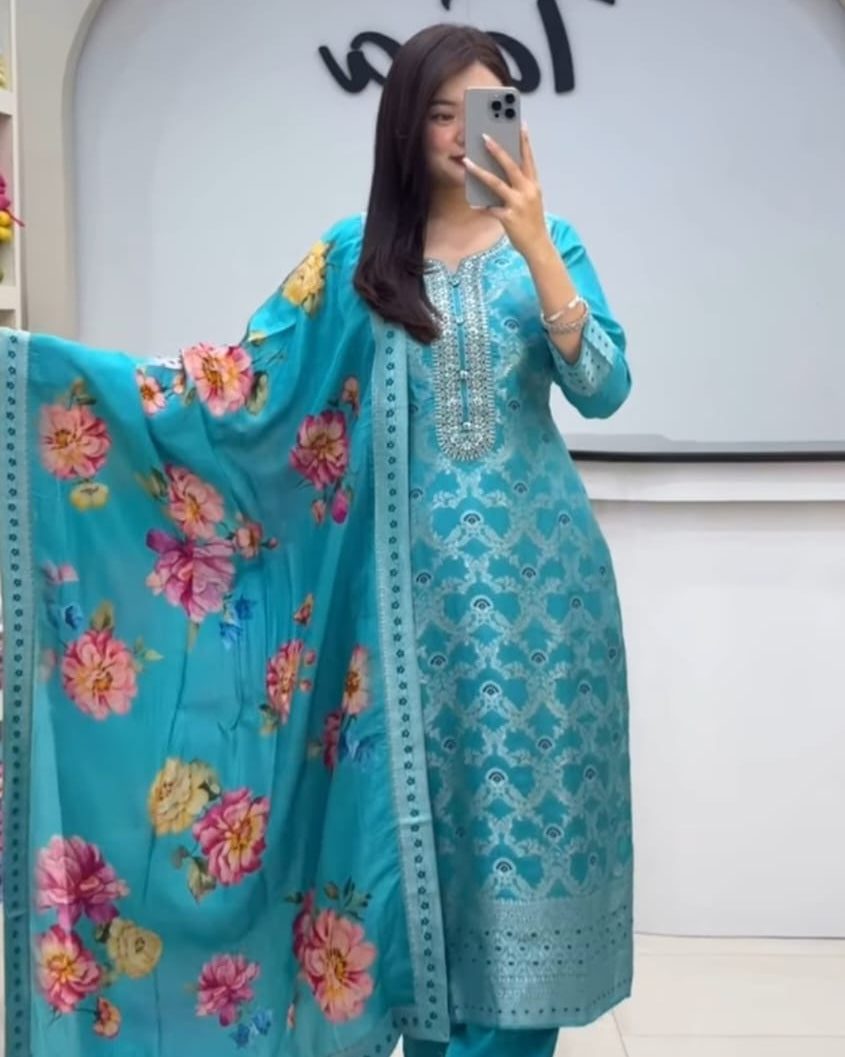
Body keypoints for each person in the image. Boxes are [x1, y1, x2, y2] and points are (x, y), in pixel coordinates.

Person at [0, 22, 632, 1057]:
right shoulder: (356, 259)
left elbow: (603, 387)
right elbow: (232, 390)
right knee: (415, 861)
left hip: (541, 613)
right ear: (402, 127)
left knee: (525, 851)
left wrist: (532, 241)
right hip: (398, 619)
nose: (456, 133)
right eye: (436, 112)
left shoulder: (551, 248)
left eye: (480, 108)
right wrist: (45, 376)